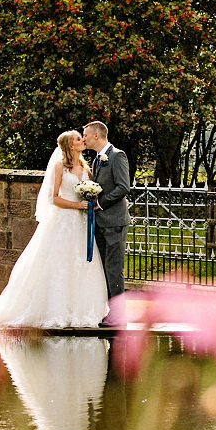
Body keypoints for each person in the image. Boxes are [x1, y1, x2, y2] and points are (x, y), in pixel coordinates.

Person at [0, 130, 108, 329]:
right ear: (71, 145)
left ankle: (82, 310)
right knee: (58, 263)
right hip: (63, 221)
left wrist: (90, 201)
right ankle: (53, 309)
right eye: (78, 139)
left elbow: (90, 193)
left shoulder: (86, 168)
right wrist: (76, 206)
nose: (83, 140)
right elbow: (54, 198)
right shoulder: (60, 167)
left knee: (81, 263)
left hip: (81, 224)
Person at [82, 121, 130, 319]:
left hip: (115, 222)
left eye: (85, 135)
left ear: (96, 135)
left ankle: (118, 315)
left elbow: (123, 187)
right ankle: (109, 312)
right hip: (101, 223)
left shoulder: (117, 155)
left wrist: (99, 203)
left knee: (114, 269)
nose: (83, 139)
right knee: (104, 270)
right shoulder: (96, 160)